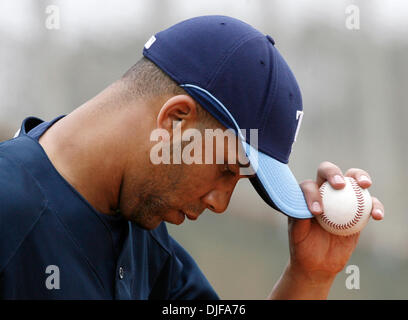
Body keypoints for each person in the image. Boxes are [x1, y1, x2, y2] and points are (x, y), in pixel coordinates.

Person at [0, 15, 384, 299]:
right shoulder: (9, 212)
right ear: (175, 119)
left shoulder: (147, 243)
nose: (220, 203)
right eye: (226, 170)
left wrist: (311, 275)